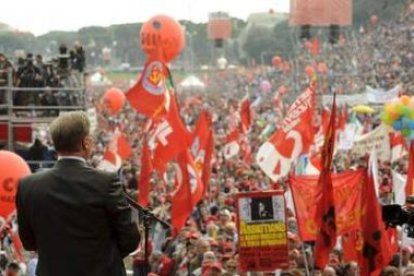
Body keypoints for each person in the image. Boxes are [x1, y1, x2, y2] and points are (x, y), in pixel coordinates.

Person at [16, 111, 140, 276]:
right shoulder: (106, 182)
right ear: (85, 142)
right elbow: (130, 239)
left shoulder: (28, 186)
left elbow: (29, 242)